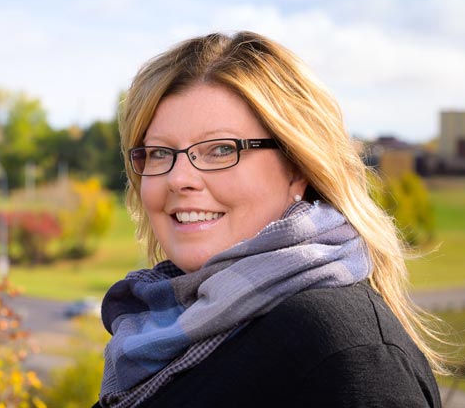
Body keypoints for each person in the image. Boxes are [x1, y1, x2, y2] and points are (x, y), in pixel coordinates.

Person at [93, 31, 446, 407]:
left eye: (221, 149)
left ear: (298, 166)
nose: (179, 178)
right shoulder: (165, 327)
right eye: (160, 153)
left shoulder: (345, 353)